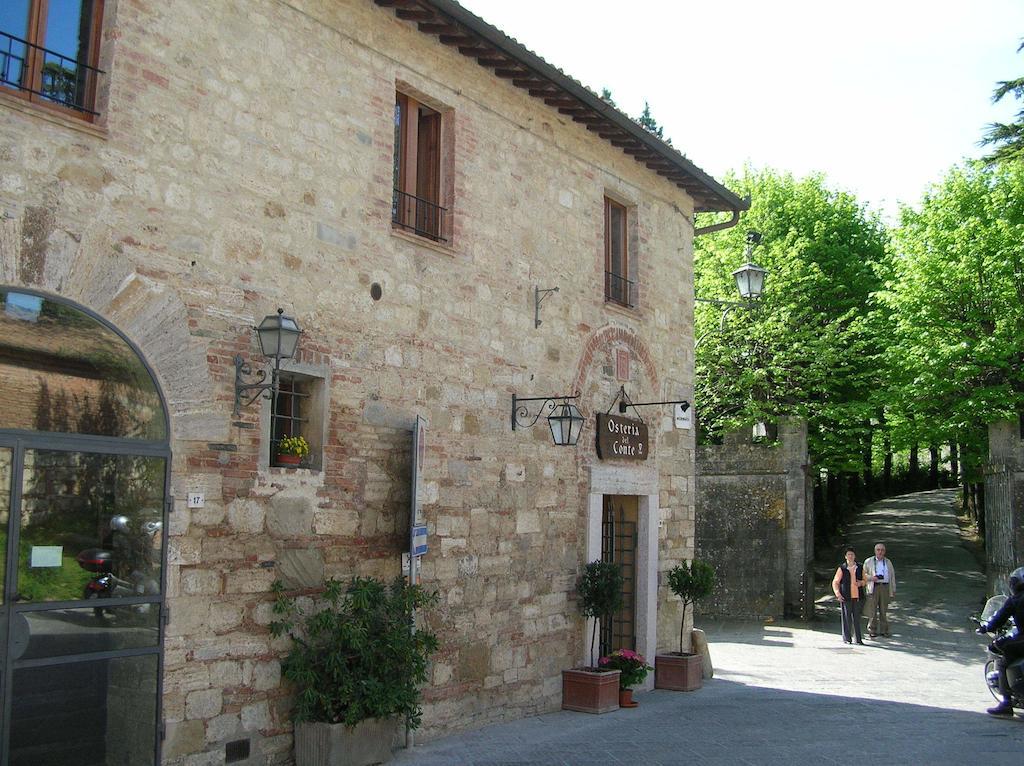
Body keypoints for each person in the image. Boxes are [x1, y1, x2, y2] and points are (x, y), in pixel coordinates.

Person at [976, 566, 1024, 717]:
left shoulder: (1015, 600)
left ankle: (1006, 703)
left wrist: (986, 628)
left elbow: (999, 619)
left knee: (1003, 661)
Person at [833, 547, 866, 645]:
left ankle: (858, 639)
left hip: (858, 596)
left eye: (852, 554)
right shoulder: (842, 568)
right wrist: (838, 594)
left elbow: (865, 580)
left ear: (855, 556)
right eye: (848, 555)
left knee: (857, 618)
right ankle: (847, 638)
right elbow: (835, 582)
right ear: (845, 557)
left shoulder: (860, 567)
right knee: (846, 617)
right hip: (846, 596)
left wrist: (861, 583)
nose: (850, 556)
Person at [863, 542, 896, 638]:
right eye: (878, 550)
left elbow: (892, 576)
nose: (880, 552)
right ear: (875, 551)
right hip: (874, 587)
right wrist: (871, 578)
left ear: (885, 552)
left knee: (883, 610)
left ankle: (884, 630)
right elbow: (862, 575)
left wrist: (893, 589)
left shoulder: (888, 562)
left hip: (885, 587)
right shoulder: (868, 561)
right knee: (872, 610)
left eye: (882, 550)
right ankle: (872, 630)